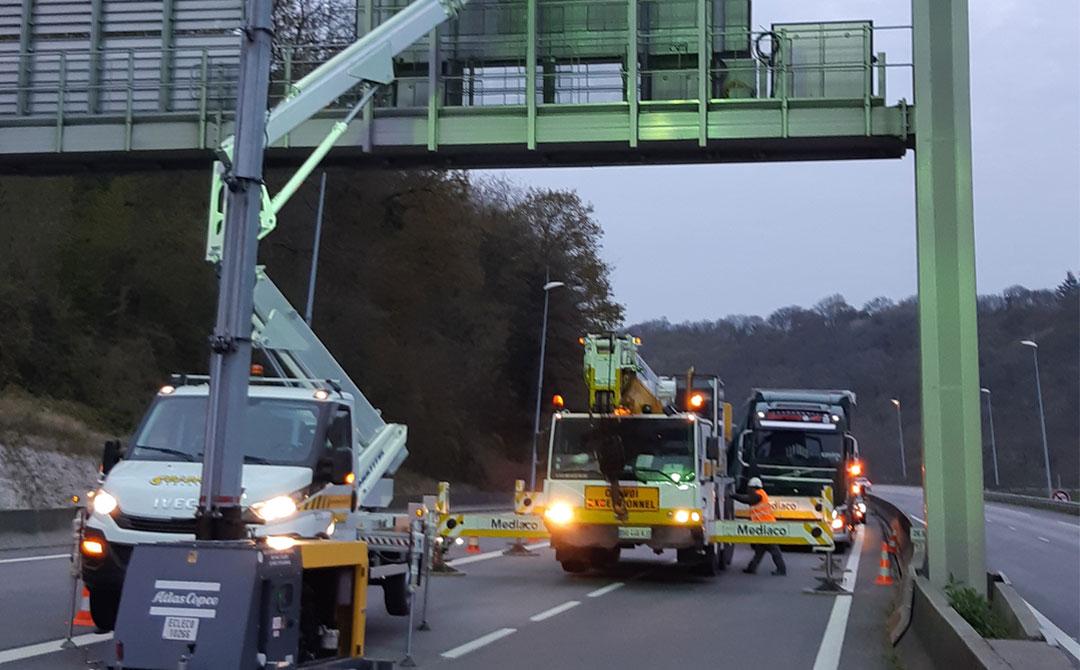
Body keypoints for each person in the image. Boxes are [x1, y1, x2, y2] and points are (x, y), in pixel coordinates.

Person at [732, 476, 787, 576]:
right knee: (759, 550)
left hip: (767, 527)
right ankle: (751, 568)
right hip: (762, 527)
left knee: (774, 550)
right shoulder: (759, 494)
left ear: (754, 487)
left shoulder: (758, 495)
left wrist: (734, 496)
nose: (748, 489)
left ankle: (781, 569)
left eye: (749, 488)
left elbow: (747, 500)